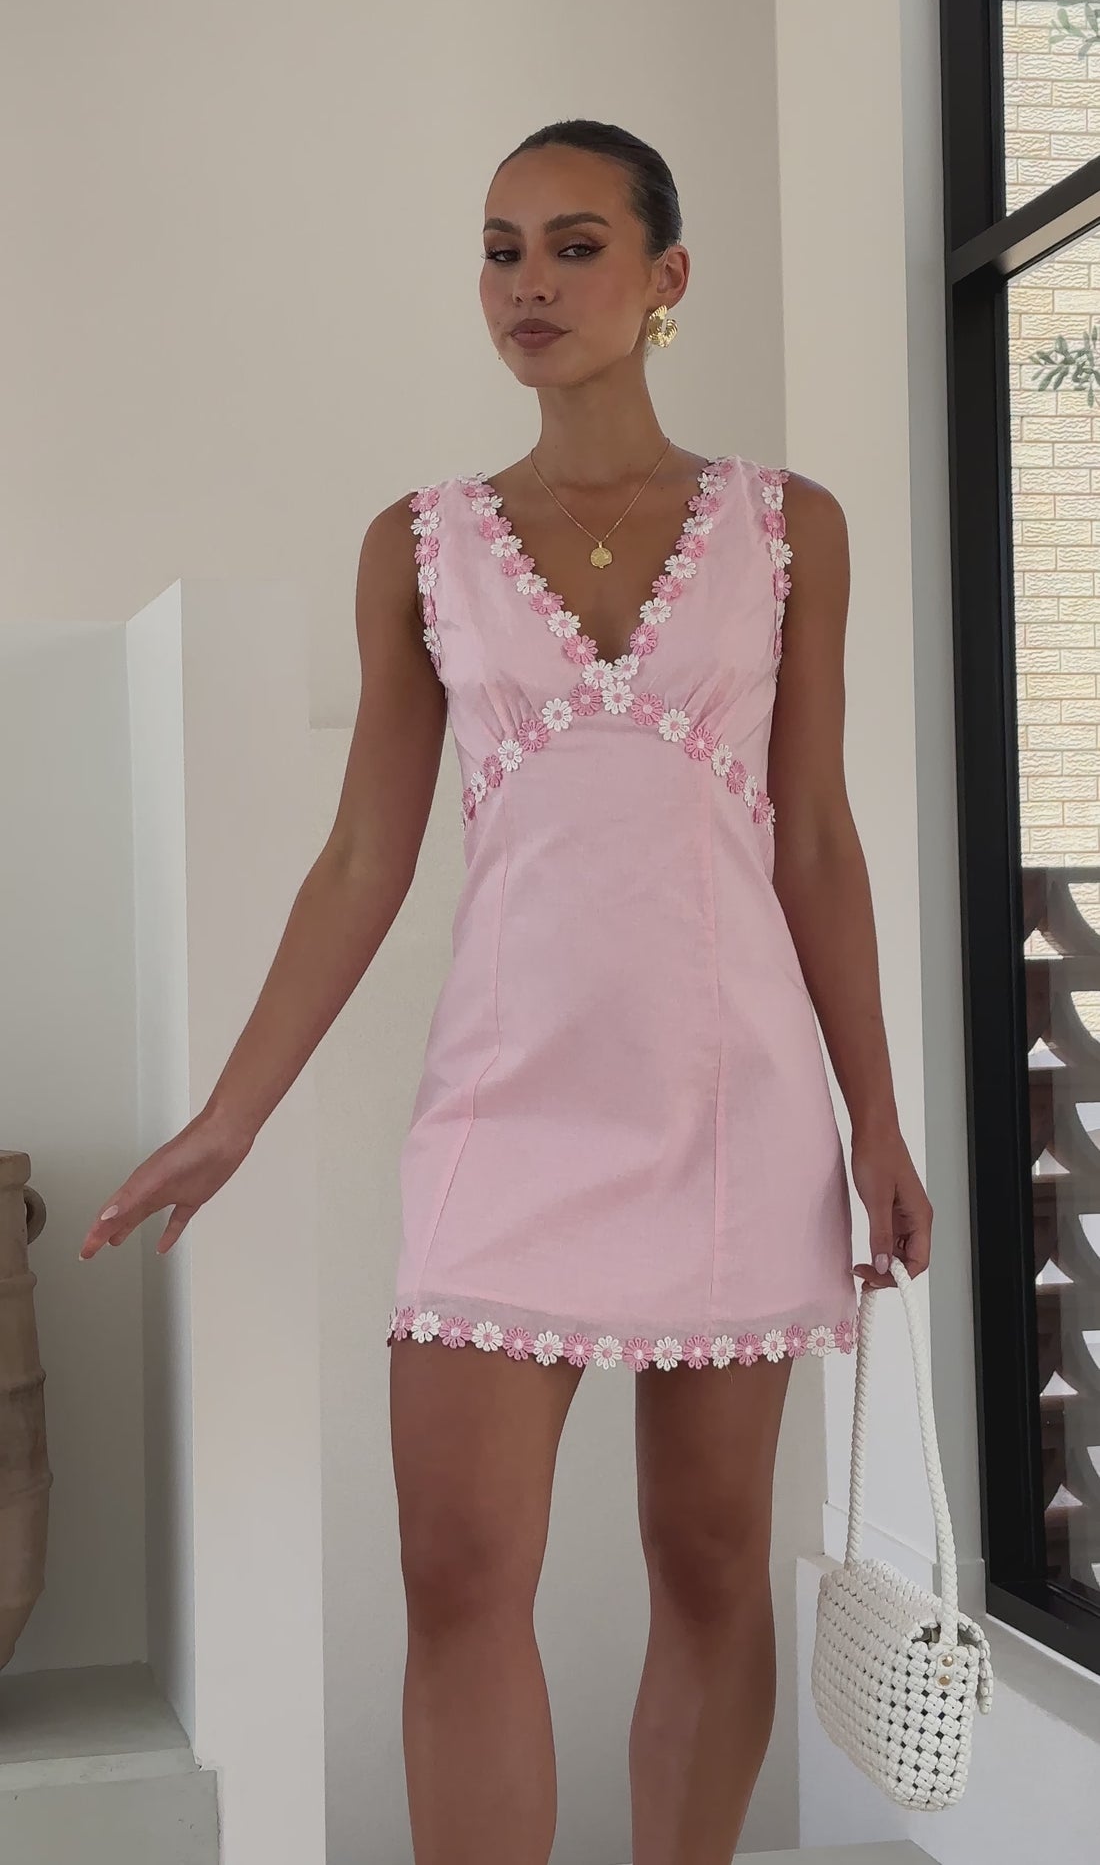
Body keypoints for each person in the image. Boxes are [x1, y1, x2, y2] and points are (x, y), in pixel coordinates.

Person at [79, 118, 934, 1865]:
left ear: (667, 276)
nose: (527, 284)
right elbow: (360, 860)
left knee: (710, 1565)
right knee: (457, 1570)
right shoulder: (420, 543)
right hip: (502, 1111)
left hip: (735, 1112)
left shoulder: (789, 529)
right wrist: (230, 1117)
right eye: (499, 249)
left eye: (573, 245)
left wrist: (879, 1120)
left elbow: (819, 842)